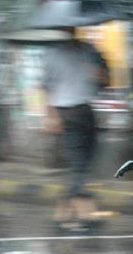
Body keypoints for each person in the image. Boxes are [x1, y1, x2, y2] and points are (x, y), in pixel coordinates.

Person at [41, 30, 109, 230]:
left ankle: (64, 211)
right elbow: (46, 87)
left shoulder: (90, 51)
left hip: (85, 109)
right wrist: (51, 115)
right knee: (78, 162)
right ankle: (84, 210)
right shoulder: (53, 54)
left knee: (86, 160)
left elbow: (106, 80)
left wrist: (97, 73)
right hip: (66, 112)